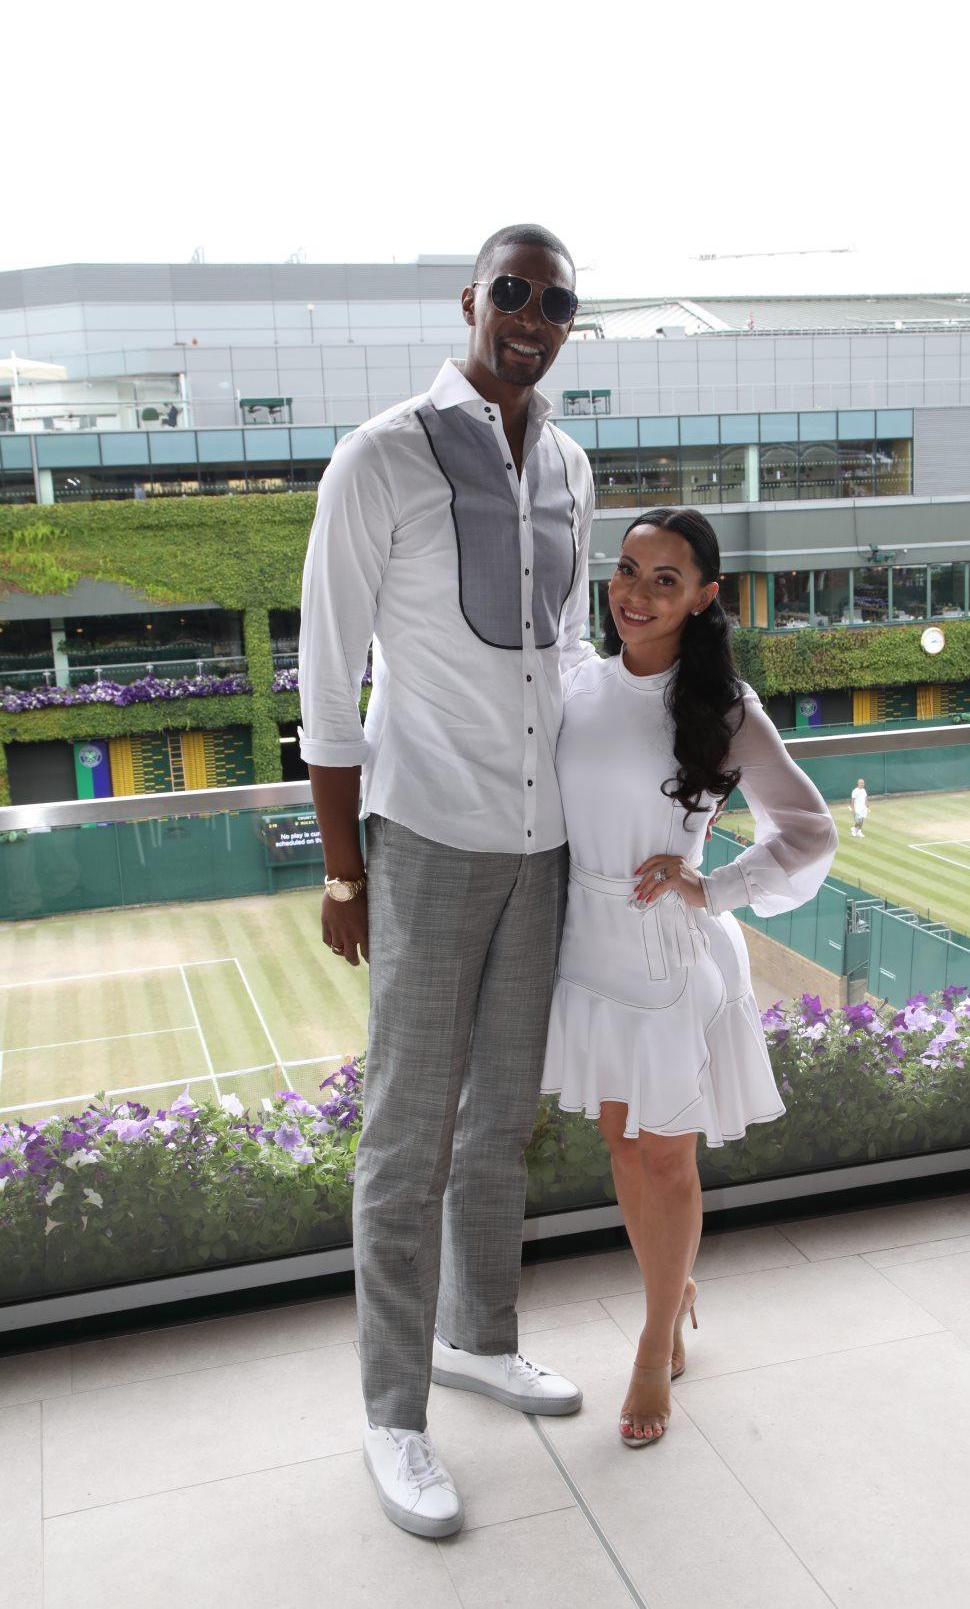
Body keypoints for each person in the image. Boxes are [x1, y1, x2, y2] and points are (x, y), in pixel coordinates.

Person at [298, 224, 593, 1538]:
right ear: (472, 301)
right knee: (407, 1132)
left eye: (557, 300)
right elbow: (326, 670)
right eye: (513, 291)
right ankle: (393, 1414)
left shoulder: (574, 464)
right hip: (424, 839)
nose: (531, 314)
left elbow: (571, 655)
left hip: (544, 846)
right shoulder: (381, 457)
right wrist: (344, 867)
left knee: (498, 1120)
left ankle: (480, 1337)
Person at [540, 506, 838, 1447]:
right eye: (627, 571)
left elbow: (809, 831)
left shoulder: (721, 708)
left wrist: (716, 885)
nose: (635, 594)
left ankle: (652, 1340)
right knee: (624, 1149)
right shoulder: (575, 678)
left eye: (665, 580)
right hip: (585, 951)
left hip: (668, 953)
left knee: (665, 1158)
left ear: (705, 596)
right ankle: (675, 1291)